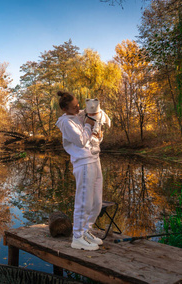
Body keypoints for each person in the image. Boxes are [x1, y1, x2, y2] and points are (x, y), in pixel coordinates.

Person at [55, 91, 104, 251]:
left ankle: (85, 231)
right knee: (84, 201)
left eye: (78, 105)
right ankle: (77, 237)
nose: (78, 109)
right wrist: (89, 125)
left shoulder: (78, 116)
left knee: (96, 201)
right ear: (65, 109)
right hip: (83, 163)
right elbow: (81, 141)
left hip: (94, 159)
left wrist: (96, 129)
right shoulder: (65, 122)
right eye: (74, 108)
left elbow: (93, 129)